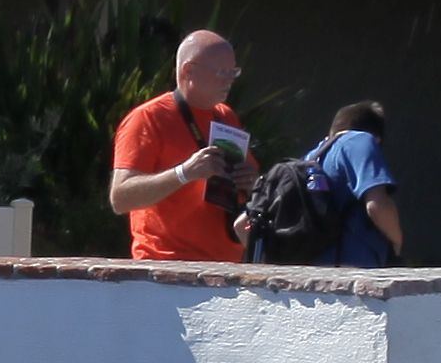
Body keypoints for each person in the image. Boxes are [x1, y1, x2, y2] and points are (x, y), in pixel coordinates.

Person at [106, 29, 255, 264]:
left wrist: (251, 180)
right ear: (188, 71)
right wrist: (184, 173)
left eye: (233, 72)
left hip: (225, 267)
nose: (229, 80)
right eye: (222, 72)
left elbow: (248, 180)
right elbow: (120, 198)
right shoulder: (148, 119)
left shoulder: (226, 116)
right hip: (167, 268)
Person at [267, 97, 408, 267]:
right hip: (354, 270)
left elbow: (242, 225)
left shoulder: (310, 158)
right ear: (377, 138)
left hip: (314, 272)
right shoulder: (360, 140)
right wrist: (397, 241)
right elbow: (377, 205)